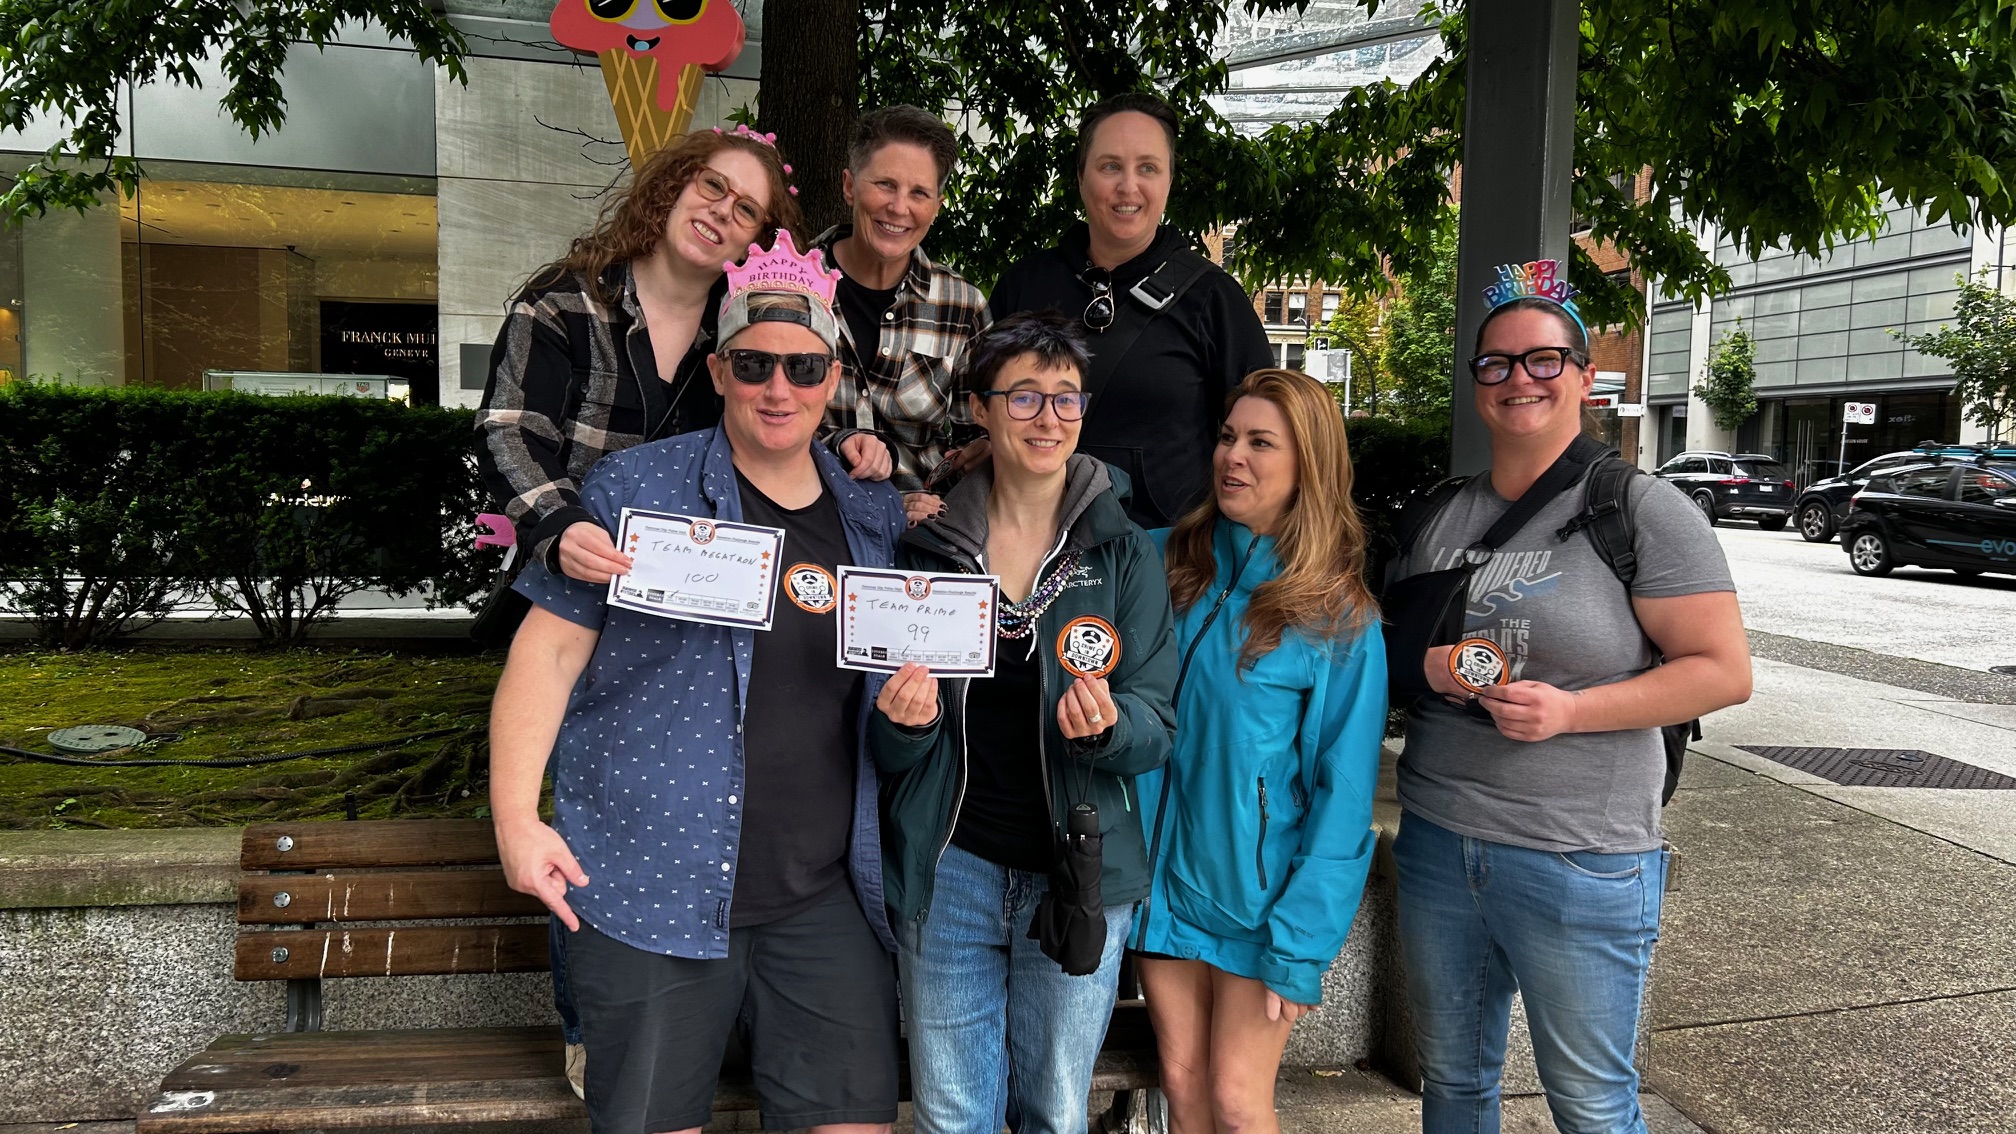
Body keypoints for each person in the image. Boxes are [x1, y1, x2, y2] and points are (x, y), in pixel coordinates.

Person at [490, 231, 908, 1134]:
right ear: (719, 371)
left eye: (803, 367)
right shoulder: (633, 489)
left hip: (822, 895)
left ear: (832, 380)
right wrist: (517, 820)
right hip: (651, 886)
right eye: (753, 364)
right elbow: (546, 655)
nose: (778, 388)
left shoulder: (870, 515)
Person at [1384, 285, 1752, 1134]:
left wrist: (1570, 712)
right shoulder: (1441, 512)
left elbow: (1724, 672)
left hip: (1581, 853)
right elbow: (1388, 649)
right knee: (1452, 1082)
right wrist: (1428, 666)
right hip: (1439, 837)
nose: (1520, 378)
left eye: (1543, 359)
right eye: (1497, 363)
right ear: (1477, 382)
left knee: (1590, 1105)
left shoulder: (1640, 509)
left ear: (1585, 378)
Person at [869, 311, 1179, 1134]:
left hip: (1077, 872)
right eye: (1025, 396)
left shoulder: (1123, 552)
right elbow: (889, 745)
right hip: (950, 868)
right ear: (980, 408)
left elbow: (1158, 725)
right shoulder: (928, 549)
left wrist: (1109, 728)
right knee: (950, 1116)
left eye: (1066, 398)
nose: (1049, 418)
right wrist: (905, 727)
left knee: (1053, 1111)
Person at [1130, 368, 1388, 1134]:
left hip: (1257, 905)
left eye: (1260, 442)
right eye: (1227, 436)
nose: (1232, 456)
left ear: (1308, 462)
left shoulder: (1338, 615)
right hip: (1160, 887)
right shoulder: (1162, 563)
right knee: (1182, 1087)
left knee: (1239, 1104)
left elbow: (1346, 791)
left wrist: (1301, 943)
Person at [987, 92, 1272, 530]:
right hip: (1026, 541)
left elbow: (1265, 441)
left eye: (1148, 168)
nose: (1128, 186)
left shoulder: (1215, 299)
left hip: (1169, 555)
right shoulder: (1023, 285)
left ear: (1169, 181)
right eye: (1110, 166)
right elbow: (981, 413)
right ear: (1081, 178)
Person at [813, 106, 992, 526]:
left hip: (922, 533)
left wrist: (978, 454)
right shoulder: (789, 287)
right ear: (849, 186)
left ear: (937, 206)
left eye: (919, 193)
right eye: (885, 185)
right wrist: (839, 444)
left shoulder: (962, 306)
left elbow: (977, 436)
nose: (898, 207)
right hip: (809, 518)